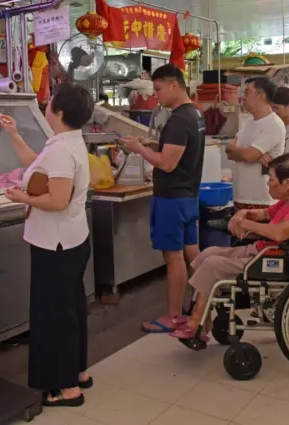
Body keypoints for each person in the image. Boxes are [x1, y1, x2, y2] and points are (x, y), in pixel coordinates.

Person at [0, 83, 94, 407]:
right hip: (70, 240)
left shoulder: (61, 150)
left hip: (55, 245)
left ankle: (67, 388)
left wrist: (21, 197)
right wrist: (13, 134)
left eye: (50, 102)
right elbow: (37, 167)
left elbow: (56, 199)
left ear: (60, 112)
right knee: (70, 309)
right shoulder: (66, 143)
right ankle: (78, 372)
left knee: (54, 315)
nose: (46, 104)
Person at [169, 154, 289, 340]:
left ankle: (196, 322)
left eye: (271, 179)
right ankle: (204, 317)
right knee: (206, 254)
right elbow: (265, 213)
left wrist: (245, 224)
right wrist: (243, 213)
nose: (268, 184)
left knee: (213, 264)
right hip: (263, 252)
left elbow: (278, 233)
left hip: (277, 260)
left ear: (286, 182)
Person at [119, 64, 206, 333]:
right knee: (192, 252)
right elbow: (176, 151)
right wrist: (151, 145)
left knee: (174, 257)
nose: (156, 96)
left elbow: (167, 164)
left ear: (173, 84)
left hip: (172, 198)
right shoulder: (195, 115)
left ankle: (174, 316)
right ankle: (204, 304)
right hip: (188, 196)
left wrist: (138, 150)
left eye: (157, 89)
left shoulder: (179, 119)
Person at [226, 77, 285, 211]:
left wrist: (247, 154)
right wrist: (253, 156)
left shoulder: (273, 124)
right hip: (240, 197)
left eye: (247, 93)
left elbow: (248, 155)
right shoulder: (248, 123)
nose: (243, 97)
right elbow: (229, 151)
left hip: (262, 201)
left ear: (261, 96)